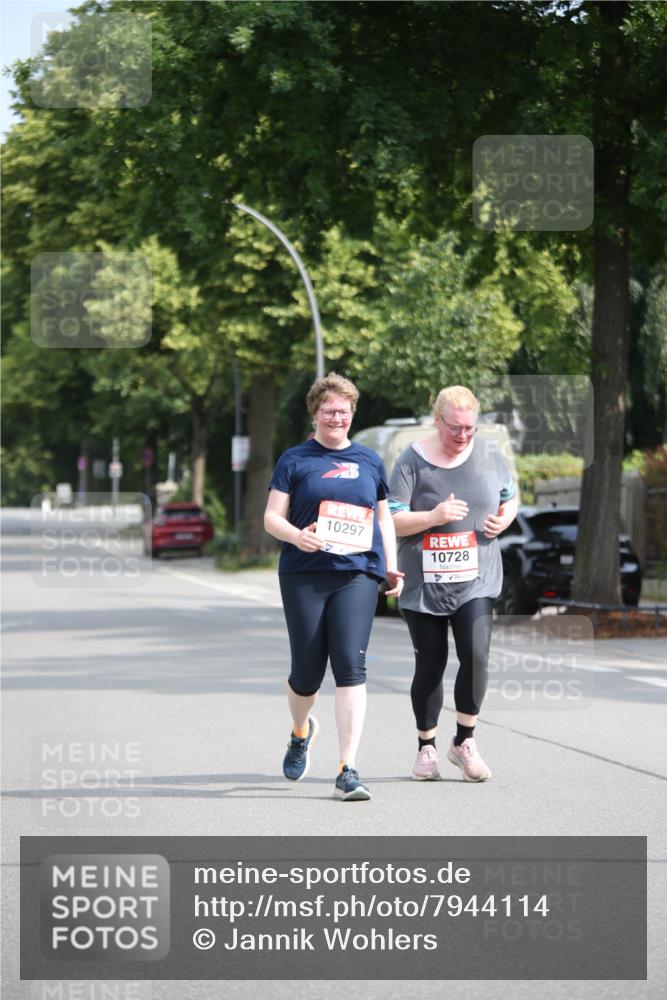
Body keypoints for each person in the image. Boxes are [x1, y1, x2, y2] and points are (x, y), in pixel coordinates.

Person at [264, 372, 404, 801]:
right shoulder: (295, 459)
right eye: (329, 411)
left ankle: (347, 767)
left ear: (352, 413)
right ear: (316, 413)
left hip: (356, 574)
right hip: (304, 573)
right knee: (306, 675)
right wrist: (296, 535)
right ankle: (300, 730)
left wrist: (391, 565)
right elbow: (271, 517)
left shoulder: (369, 461)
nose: (337, 417)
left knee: (350, 665)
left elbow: (383, 518)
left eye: (344, 411)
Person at [389, 386, 518, 782]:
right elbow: (391, 520)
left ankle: (464, 741)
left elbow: (510, 497)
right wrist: (434, 515)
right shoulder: (411, 461)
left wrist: (505, 518)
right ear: (437, 420)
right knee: (431, 663)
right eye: (455, 427)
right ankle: (426, 747)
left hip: (476, 578)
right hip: (424, 582)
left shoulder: (491, 454)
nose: (463, 435)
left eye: (470, 428)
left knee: (477, 656)